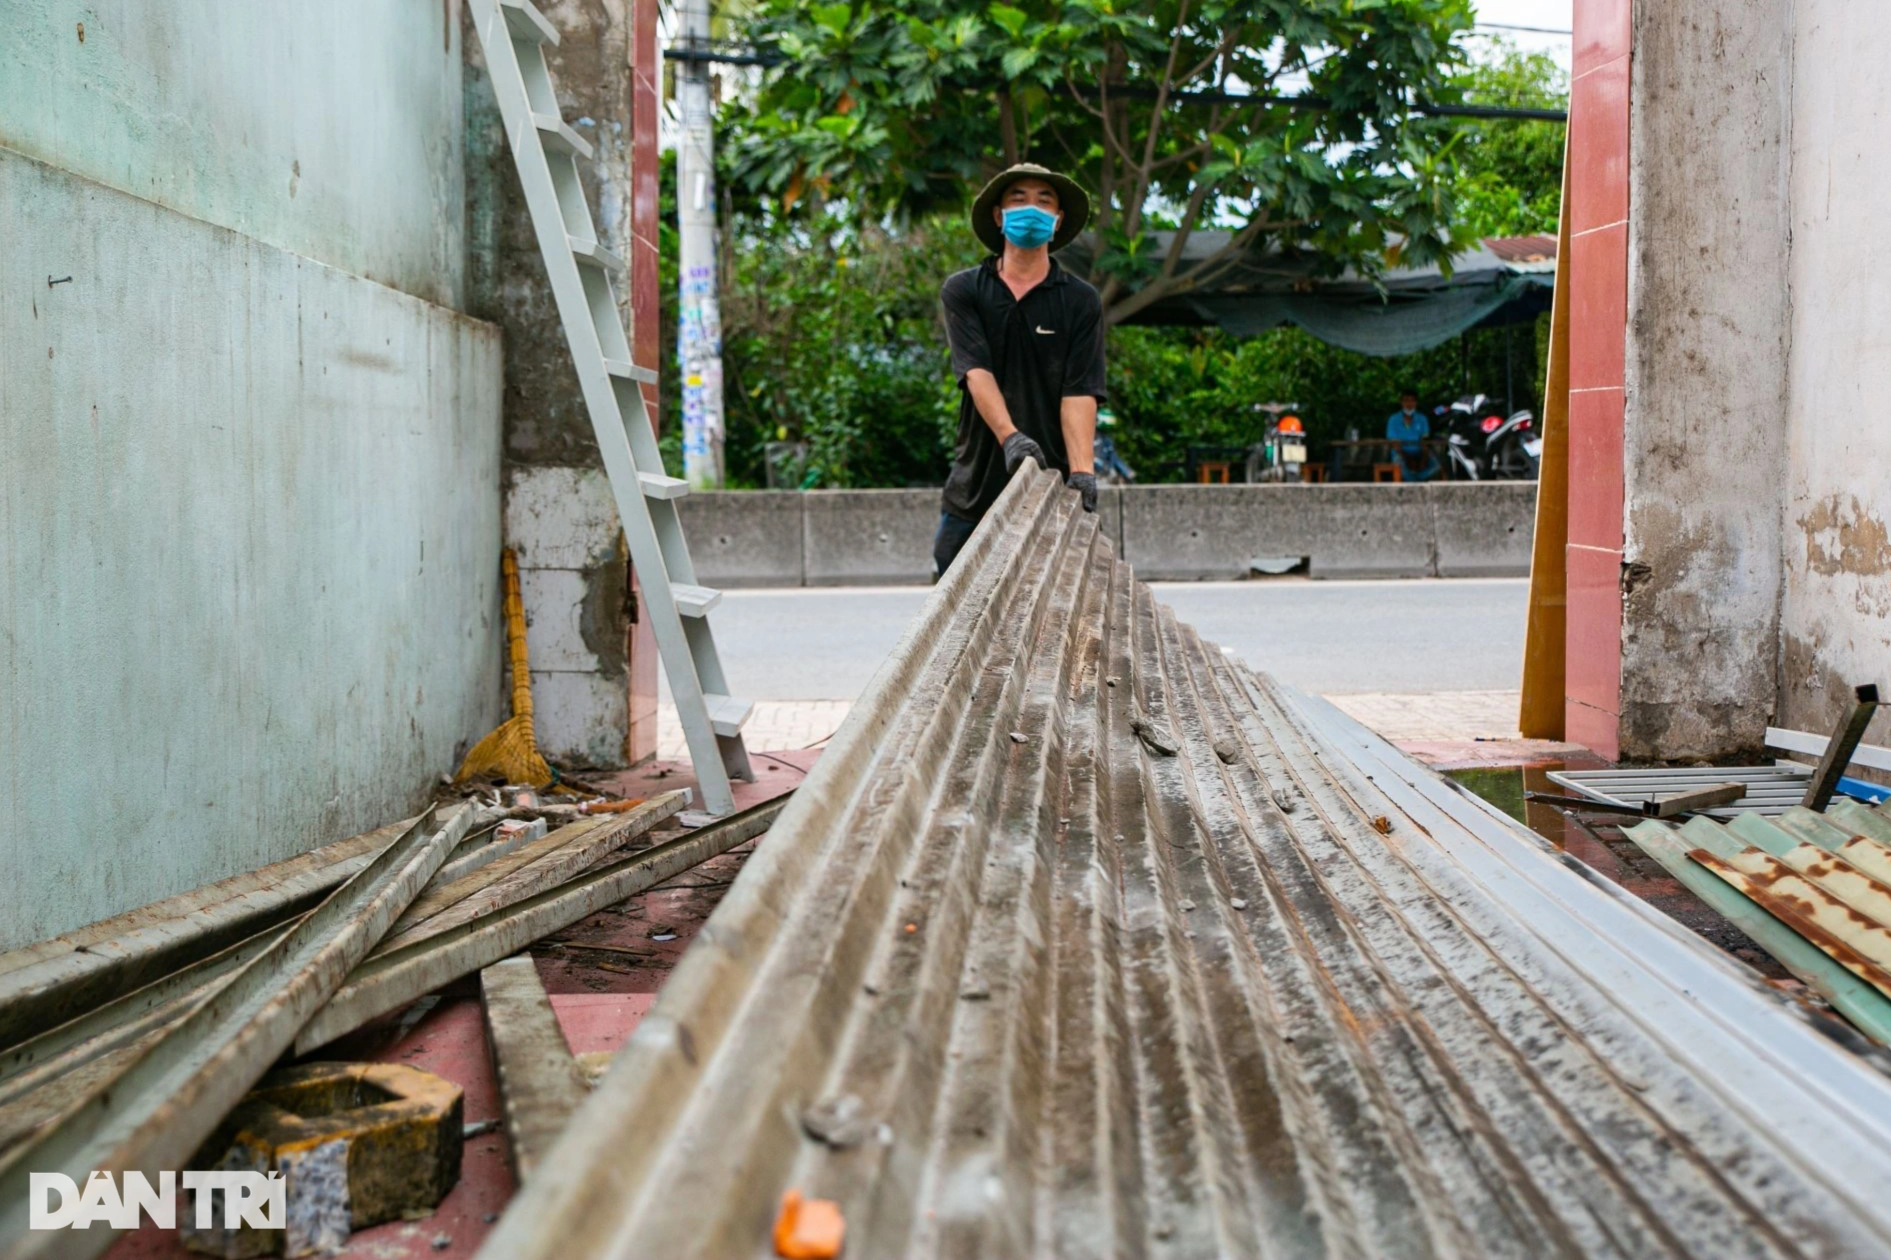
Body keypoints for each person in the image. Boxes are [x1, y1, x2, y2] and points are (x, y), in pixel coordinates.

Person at [932, 163, 1107, 577]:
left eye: (1044, 200)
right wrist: (1011, 439)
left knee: (1058, 606)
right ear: (998, 215)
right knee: (952, 595)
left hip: (1052, 486)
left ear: (1058, 219)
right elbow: (976, 372)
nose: (1032, 208)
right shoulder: (965, 291)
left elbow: (1079, 391)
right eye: (1018, 198)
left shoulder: (1080, 301)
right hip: (976, 484)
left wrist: (1082, 473)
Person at [1386, 390, 1438, 482]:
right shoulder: (1393, 419)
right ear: (1401, 403)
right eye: (1406, 401)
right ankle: (1415, 484)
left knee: (1436, 465)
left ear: (1416, 403)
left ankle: (1418, 479)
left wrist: (1423, 459)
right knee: (1400, 465)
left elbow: (1424, 441)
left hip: (1419, 452)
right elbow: (1395, 444)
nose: (1409, 404)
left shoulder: (1422, 419)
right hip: (1400, 453)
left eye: (1412, 401)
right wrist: (1408, 459)